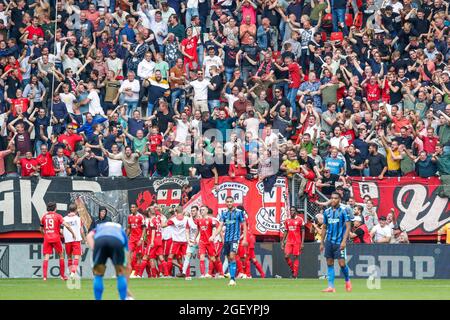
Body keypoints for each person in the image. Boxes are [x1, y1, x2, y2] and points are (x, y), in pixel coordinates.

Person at [209, 196, 248, 286]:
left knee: (232, 256)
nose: (229, 203)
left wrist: (245, 238)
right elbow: (220, 226)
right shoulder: (224, 213)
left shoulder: (239, 212)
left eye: (231, 201)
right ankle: (232, 277)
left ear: (233, 202)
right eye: (228, 202)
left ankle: (232, 279)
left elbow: (244, 225)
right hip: (226, 239)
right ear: (226, 203)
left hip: (235, 238)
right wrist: (214, 235)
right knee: (228, 258)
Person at [86, 221, 129, 300]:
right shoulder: (120, 228)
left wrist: (94, 249)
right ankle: (123, 298)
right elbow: (126, 252)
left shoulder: (99, 226)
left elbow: (89, 236)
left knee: (98, 274)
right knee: (120, 273)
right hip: (117, 242)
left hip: (100, 241)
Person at [320, 192, 352, 293]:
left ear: (339, 200)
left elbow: (348, 227)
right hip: (329, 241)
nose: (333, 200)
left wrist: (344, 241)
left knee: (342, 264)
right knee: (329, 263)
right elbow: (324, 227)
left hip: (339, 241)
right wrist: (322, 242)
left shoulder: (344, 211)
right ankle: (331, 286)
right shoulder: (327, 212)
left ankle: (347, 280)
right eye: (332, 198)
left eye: (336, 198)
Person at [40, 202, 76, 281]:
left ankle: (45, 277)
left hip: (47, 238)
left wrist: (45, 235)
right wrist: (73, 233)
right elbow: (66, 225)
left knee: (46, 256)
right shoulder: (58, 216)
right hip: (56, 238)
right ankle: (62, 276)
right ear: (55, 208)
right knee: (61, 255)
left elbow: (41, 229)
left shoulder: (44, 217)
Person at [63, 203, 86, 278]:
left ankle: (70, 272)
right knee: (76, 257)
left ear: (69, 210)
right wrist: (85, 239)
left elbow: (61, 230)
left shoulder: (64, 219)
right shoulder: (79, 219)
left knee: (69, 257)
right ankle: (73, 273)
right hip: (76, 240)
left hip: (67, 240)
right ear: (76, 210)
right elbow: (81, 230)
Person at [282, 207, 305, 278]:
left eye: (293, 210)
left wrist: (302, 243)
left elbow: (303, 231)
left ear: (296, 211)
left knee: (295, 257)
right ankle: (293, 269)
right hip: (289, 241)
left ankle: (294, 275)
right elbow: (286, 231)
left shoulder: (300, 219)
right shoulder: (287, 220)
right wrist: (283, 241)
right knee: (286, 256)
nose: (291, 211)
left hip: (297, 241)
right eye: (291, 210)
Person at [195, 205, 218, 278]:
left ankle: (219, 272)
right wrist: (195, 238)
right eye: (201, 210)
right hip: (202, 241)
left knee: (213, 258)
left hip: (209, 241)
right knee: (202, 257)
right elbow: (198, 230)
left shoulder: (211, 220)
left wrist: (213, 236)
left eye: (203, 210)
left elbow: (214, 229)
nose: (202, 211)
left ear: (207, 211)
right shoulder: (199, 220)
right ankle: (202, 274)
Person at [127, 204, 146, 278]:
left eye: (133, 207)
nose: (132, 208)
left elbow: (144, 228)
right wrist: (126, 236)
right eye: (131, 207)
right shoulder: (129, 216)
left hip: (139, 239)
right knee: (129, 254)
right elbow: (129, 228)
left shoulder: (141, 217)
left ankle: (137, 274)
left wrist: (141, 239)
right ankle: (129, 272)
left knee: (138, 256)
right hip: (132, 239)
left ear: (137, 208)